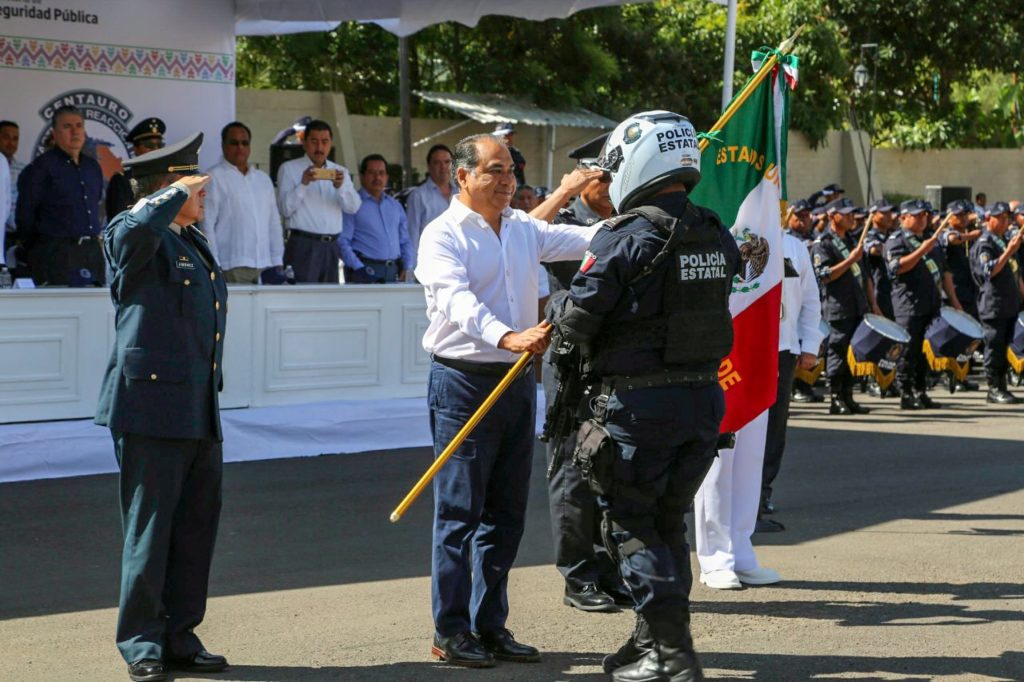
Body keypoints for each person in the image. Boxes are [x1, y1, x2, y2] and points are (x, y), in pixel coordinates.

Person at [551, 110, 739, 682]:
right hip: (701, 403)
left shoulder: (626, 235)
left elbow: (576, 320)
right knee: (665, 525)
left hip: (637, 409)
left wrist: (556, 314)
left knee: (631, 528)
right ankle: (647, 641)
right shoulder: (714, 229)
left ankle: (673, 656)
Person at [415, 133, 603, 669]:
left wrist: (640, 222)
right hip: (464, 382)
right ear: (464, 176)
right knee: (458, 514)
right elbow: (456, 302)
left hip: (518, 381)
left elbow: (583, 239)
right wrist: (506, 336)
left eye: (511, 173)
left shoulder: (522, 228)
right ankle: (450, 631)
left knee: (505, 515)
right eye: (494, 171)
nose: (506, 182)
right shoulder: (442, 234)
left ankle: (489, 625)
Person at [94, 133, 229, 682]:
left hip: (196, 407)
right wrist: (167, 196)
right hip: (150, 409)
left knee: (194, 529)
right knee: (150, 533)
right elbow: (128, 231)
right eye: (192, 187)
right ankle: (143, 644)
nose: (201, 196)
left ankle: (179, 634)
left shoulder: (189, 240)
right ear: (166, 190)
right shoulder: (134, 234)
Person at [540, 133, 630, 613]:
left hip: (615, 363)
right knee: (573, 473)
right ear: (586, 178)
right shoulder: (565, 225)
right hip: (573, 365)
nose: (616, 187)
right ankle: (579, 577)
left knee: (610, 471)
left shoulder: (627, 223)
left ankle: (610, 569)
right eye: (607, 178)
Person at [757, 228, 824, 530]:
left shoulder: (794, 246)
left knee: (774, 425)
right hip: (742, 349)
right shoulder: (735, 234)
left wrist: (810, 345)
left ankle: (760, 495)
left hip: (783, 348)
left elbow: (810, 299)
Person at [15, 105, 105, 285]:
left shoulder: (92, 167)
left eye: (79, 126)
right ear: (54, 134)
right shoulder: (40, 168)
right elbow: (25, 217)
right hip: (56, 255)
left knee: (95, 309)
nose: (75, 132)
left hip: (91, 253)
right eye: (67, 127)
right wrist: (42, 248)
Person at [884, 199, 960, 410]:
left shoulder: (929, 238)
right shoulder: (896, 241)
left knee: (925, 353)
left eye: (925, 215)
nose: (922, 219)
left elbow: (944, 272)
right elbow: (896, 268)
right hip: (909, 305)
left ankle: (921, 390)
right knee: (909, 352)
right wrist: (921, 251)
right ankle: (906, 393)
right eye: (917, 216)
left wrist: (953, 301)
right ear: (903, 218)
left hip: (931, 304)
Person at [276, 119, 361, 283]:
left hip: (332, 246)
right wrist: (303, 184)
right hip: (303, 244)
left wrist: (341, 187)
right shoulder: (289, 169)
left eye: (324, 142)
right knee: (303, 300)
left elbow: (354, 208)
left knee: (328, 302)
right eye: (314, 141)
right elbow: (285, 210)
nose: (319, 147)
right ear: (304, 142)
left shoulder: (340, 172)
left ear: (331, 144)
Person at [812, 198, 875, 415]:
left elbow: (865, 276)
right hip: (838, 307)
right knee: (838, 353)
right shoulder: (824, 243)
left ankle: (848, 396)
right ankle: (836, 397)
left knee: (852, 353)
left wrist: (872, 304)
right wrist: (850, 260)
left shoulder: (851, 240)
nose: (851, 218)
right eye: (845, 214)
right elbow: (825, 276)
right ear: (832, 216)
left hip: (857, 305)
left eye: (851, 214)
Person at [201, 121, 284, 284]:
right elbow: (206, 225)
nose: (240, 147)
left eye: (244, 143)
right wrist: (214, 264)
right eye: (234, 143)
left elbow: (274, 223)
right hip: (231, 265)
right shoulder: (214, 177)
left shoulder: (262, 179)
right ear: (223, 145)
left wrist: (277, 260)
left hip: (264, 265)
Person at [969, 202, 1022, 403]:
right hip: (993, 304)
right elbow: (988, 271)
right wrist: (1009, 251)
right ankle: (993, 389)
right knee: (994, 346)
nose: (1005, 221)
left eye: (1007, 217)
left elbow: (1015, 270)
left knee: (1004, 346)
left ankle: (1002, 386)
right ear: (988, 218)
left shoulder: (1001, 240)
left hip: (1008, 302)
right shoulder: (985, 243)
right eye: (999, 217)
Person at [339, 153, 414, 283]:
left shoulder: (395, 206)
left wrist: (407, 267)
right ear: (362, 176)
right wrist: (358, 268)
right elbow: (342, 241)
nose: (377, 177)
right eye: (372, 173)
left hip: (394, 271)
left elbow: (405, 241)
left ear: (386, 177)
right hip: (364, 271)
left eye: (381, 173)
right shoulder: (353, 204)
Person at [106, 117, 166, 219]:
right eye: (149, 145)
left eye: (159, 145)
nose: (156, 150)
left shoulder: (170, 178)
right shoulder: (122, 181)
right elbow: (118, 223)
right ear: (136, 149)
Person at [405, 144, 456, 254]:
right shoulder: (418, 196)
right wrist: (412, 268)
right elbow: (412, 234)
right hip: (431, 261)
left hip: (461, 260)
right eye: (437, 163)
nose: (443, 167)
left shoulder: (462, 193)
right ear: (429, 166)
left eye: (447, 162)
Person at [494, 122, 527, 187]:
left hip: (514, 188)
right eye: (505, 135)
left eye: (511, 135)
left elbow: (519, 172)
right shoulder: (490, 152)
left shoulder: (516, 153)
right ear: (497, 136)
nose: (508, 139)